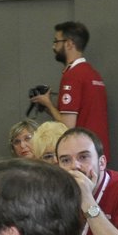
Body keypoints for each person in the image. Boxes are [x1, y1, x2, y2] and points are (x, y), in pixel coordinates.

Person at [30, 22, 109, 155]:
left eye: (56, 41)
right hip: (96, 152)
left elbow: (67, 127)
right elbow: (82, 116)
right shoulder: (93, 74)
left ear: (69, 43)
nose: (53, 46)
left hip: (81, 154)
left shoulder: (72, 76)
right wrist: (48, 106)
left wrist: (48, 104)